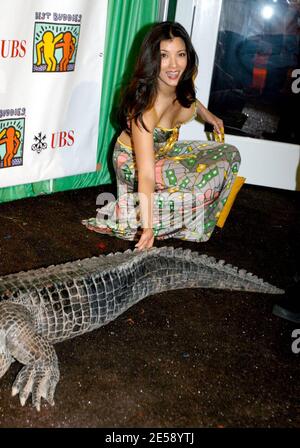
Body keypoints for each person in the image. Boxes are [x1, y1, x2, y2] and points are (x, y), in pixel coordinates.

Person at [83, 21, 241, 250]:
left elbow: (191, 101)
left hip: (164, 152)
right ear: (152, 60)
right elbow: (146, 173)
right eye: (164, 56)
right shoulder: (146, 109)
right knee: (199, 191)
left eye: (180, 54)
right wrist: (148, 229)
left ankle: (157, 210)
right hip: (134, 164)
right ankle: (131, 214)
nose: (173, 65)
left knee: (229, 154)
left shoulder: (183, 82)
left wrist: (210, 116)